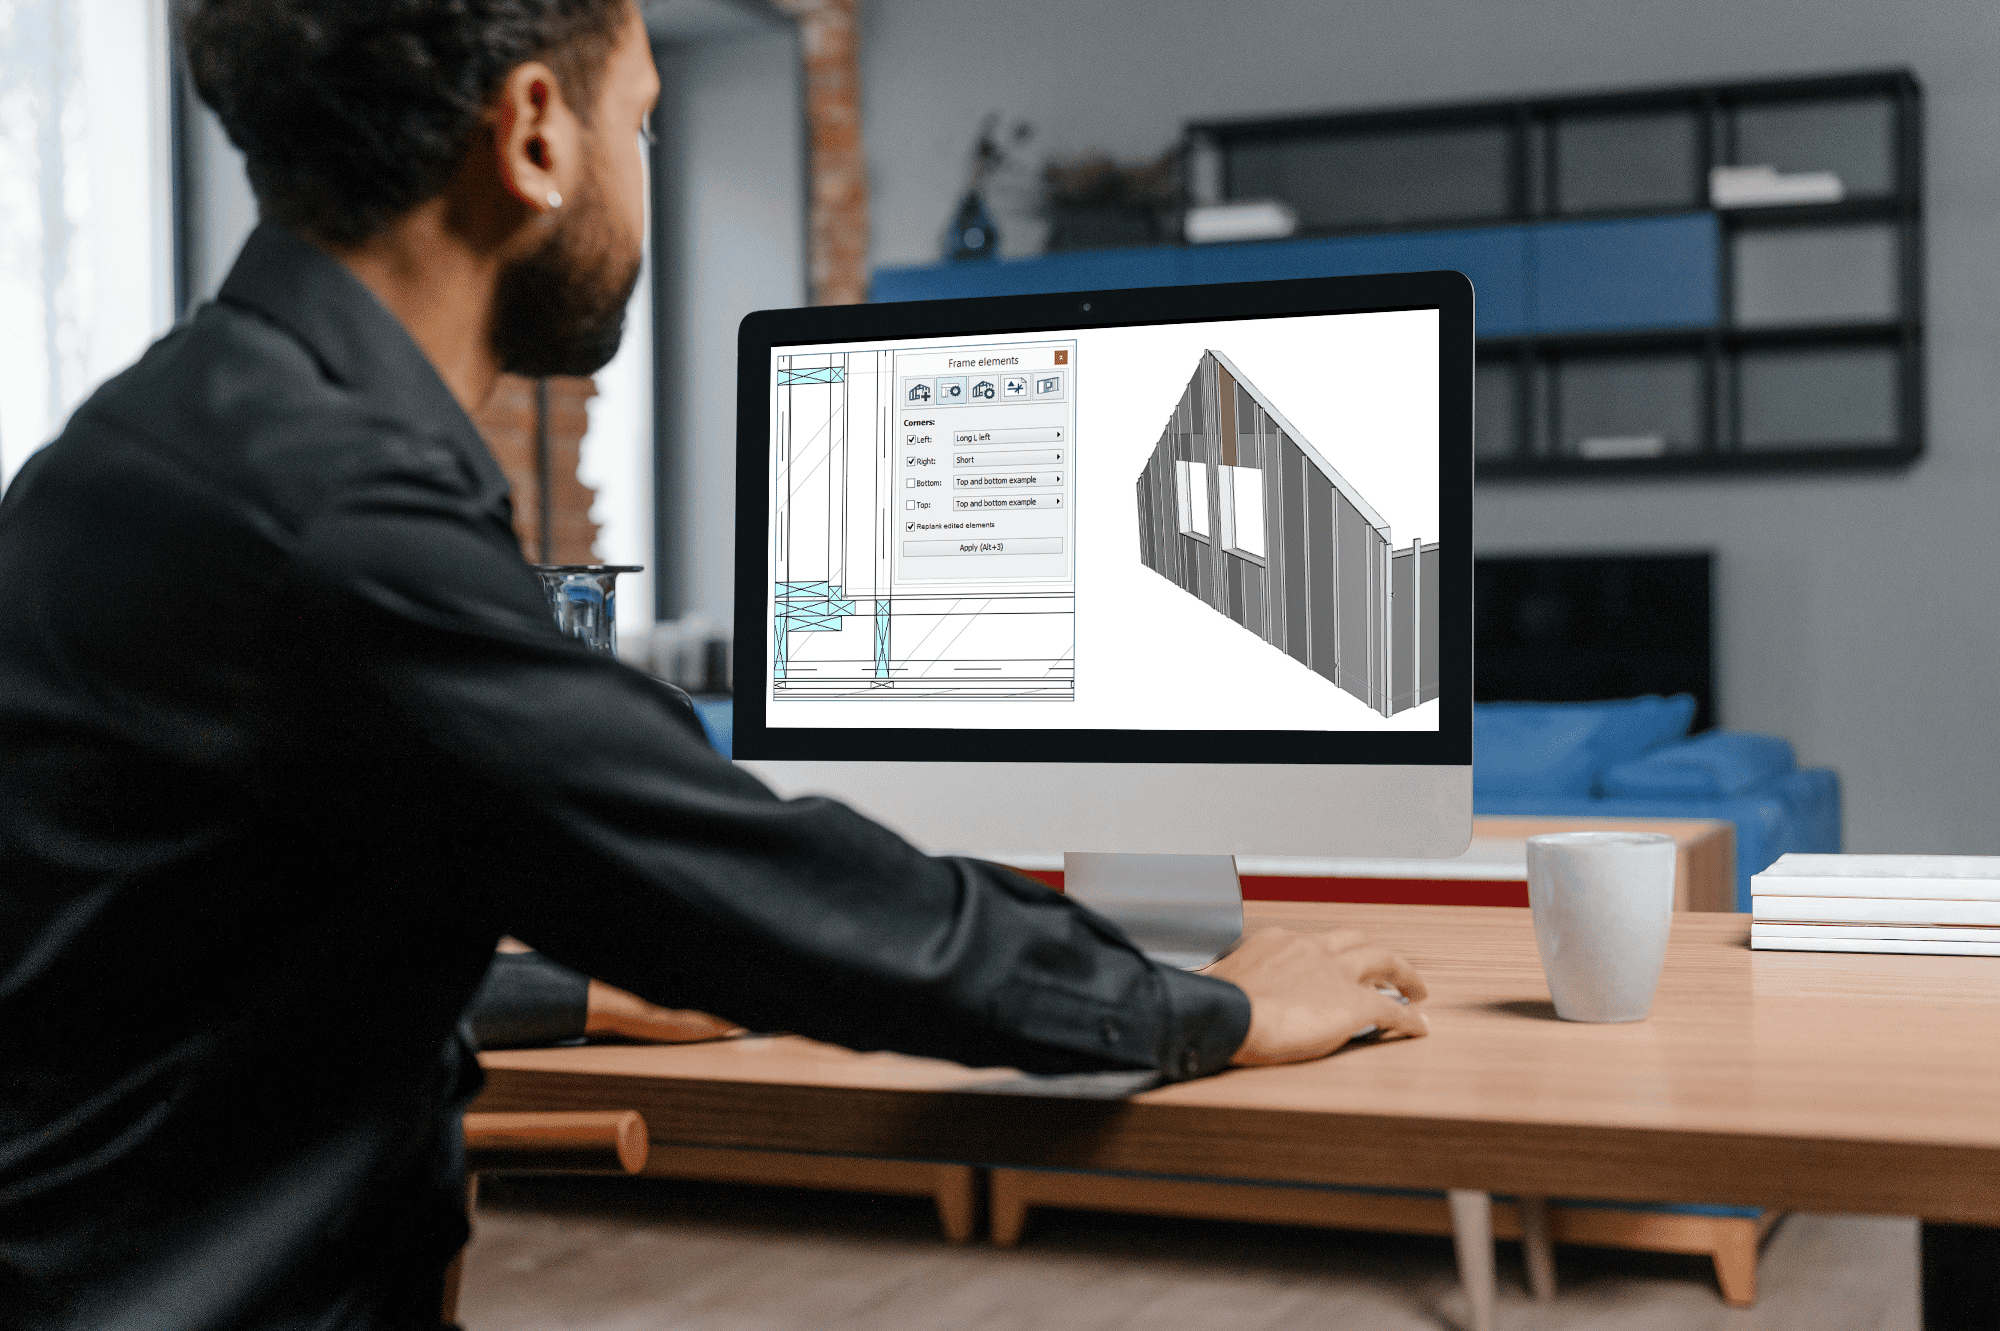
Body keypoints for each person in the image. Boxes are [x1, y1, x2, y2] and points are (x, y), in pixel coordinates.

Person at [0, 2, 1429, 1327]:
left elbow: (172, 966)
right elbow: (768, 890)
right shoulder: (339, 523)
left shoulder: (143, 450)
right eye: (644, 121)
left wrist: (580, 989)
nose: (644, 171)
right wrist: (1215, 1003)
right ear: (537, 132)